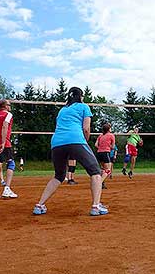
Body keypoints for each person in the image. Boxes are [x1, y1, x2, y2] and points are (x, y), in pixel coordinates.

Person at [33, 87, 108, 216]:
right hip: (76, 140)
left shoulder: (62, 110)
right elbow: (86, 128)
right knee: (96, 172)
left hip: (56, 143)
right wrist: (85, 140)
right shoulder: (84, 107)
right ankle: (96, 206)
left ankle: (40, 205)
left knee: (59, 176)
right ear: (81, 96)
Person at [95, 123, 115, 189]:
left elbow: (96, 145)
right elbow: (113, 146)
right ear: (109, 129)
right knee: (108, 170)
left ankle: (102, 184)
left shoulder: (100, 135)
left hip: (99, 153)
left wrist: (101, 147)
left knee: (103, 169)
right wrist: (108, 147)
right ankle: (99, 182)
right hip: (105, 153)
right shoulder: (111, 135)